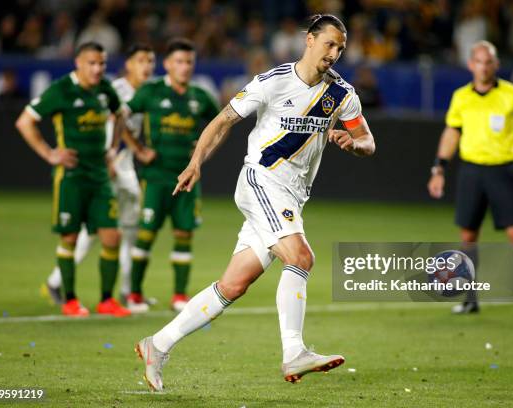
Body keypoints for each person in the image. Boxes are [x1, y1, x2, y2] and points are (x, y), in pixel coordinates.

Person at [133, 15, 375, 391]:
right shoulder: (273, 81)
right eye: (329, 44)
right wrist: (196, 162)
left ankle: (157, 345)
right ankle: (294, 351)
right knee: (301, 256)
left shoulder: (341, 93)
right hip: (261, 181)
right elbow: (222, 121)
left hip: (291, 195)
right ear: (309, 40)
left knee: (232, 285)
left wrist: (352, 143)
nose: (335, 53)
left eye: (341, 48)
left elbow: (368, 141)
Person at [427, 41, 513, 317]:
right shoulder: (461, 97)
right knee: (468, 236)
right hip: (471, 171)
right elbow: (452, 133)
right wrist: (438, 167)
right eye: (479, 62)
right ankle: (470, 300)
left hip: (502, 171)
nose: (484, 67)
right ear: (471, 64)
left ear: (496, 65)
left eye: (489, 62)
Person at [15, 42, 131, 317]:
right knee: (69, 237)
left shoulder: (105, 90)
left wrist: (113, 149)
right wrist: (49, 153)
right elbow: (24, 121)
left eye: (102, 63)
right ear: (78, 63)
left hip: (100, 176)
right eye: (92, 63)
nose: (97, 69)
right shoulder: (61, 90)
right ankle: (69, 300)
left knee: (112, 237)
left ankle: (106, 300)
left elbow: (121, 114)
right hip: (71, 177)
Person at [41, 43, 156, 314]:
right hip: (107, 167)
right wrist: (114, 154)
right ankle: (57, 282)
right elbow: (114, 121)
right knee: (98, 232)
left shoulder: (146, 92)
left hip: (123, 166)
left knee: (124, 229)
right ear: (128, 64)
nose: (147, 66)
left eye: (151, 61)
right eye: (141, 60)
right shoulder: (114, 89)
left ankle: (127, 291)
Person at [121, 39, 220, 312]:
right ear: (167, 64)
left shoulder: (200, 97)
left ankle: (179, 296)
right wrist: (139, 150)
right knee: (146, 234)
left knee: (184, 234)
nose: (185, 67)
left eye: (189, 62)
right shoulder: (151, 91)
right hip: (155, 178)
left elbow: (222, 124)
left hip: (188, 179)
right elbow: (119, 117)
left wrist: (202, 154)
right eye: (179, 61)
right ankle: (135, 294)